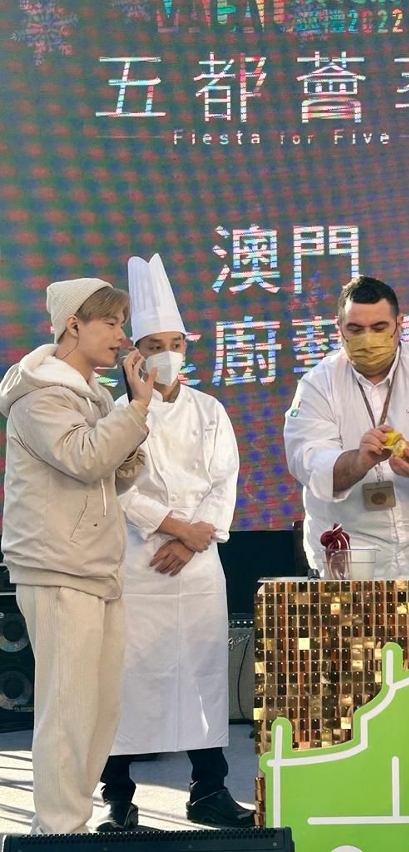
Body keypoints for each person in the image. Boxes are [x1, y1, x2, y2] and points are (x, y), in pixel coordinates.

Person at [97, 253, 254, 831]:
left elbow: (223, 481)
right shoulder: (119, 412)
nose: (167, 354)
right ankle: (118, 799)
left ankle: (208, 791)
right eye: (154, 344)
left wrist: (191, 539)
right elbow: (118, 485)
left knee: (202, 676)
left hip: (197, 564)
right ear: (134, 353)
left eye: (176, 343)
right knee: (127, 677)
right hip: (138, 563)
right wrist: (173, 526)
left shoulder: (210, 411)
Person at [0, 278, 154, 834]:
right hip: (57, 565)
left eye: (121, 324)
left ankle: (70, 824)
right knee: (67, 709)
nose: (120, 336)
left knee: (98, 710)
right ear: (74, 325)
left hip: (94, 564)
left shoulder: (94, 397)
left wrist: (130, 427)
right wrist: (135, 410)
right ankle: (58, 830)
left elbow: (113, 475)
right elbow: (85, 458)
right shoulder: (40, 394)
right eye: (110, 323)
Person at [284, 274, 409, 579]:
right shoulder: (317, 385)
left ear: (399, 325)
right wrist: (357, 461)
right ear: (339, 328)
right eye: (356, 329)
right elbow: (306, 460)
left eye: (379, 328)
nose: (368, 339)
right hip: (350, 552)